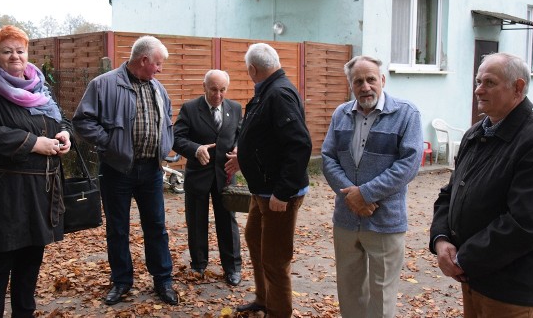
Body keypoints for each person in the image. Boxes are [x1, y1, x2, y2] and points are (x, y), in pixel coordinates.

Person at [430, 52, 533, 318]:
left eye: (489, 83)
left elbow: (526, 224)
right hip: (473, 279)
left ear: (518, 87)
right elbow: (450, 193)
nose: (478, 90)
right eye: (478, 81)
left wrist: (463, 259)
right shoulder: (477, 132)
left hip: (511, 288)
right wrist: (441, 239)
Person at [0, 25, 72, 318]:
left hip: (40, 192)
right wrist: (35, 143)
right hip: (2, 193)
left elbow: (60, 119)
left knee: (30, 263)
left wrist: (64, 134)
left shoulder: (40, 87)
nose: (15, 57)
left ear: (27, 53)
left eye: (20, 50)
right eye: (6, 51)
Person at [72, 35, 178, 306]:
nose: (160, 69)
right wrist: (110, 143)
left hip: (151, 171)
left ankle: (162, 280)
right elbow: (82, 121)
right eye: (157, 63)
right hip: (117, 170)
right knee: (118, 229)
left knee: (156, 226)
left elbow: (167, 121)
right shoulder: (104, 84)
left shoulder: (158, 88)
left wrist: (165, 145)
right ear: (143, 60)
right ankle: (121, 281)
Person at [321, 55, 423, 318]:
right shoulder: (340, 114)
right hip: (346, 218)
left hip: (385, 220)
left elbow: (409, 164)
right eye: (358, 81)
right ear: (350, 85)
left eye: (371, 79)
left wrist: (365, 194)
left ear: (382, 80)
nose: (365, 86)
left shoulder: (406, 114)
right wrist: (351, 196)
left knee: (382, 294)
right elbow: (328, 158)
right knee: (350, 290)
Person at [229, 43, 312, 318]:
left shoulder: (278, 94)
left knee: (275, 260)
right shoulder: (268, 91)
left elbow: (299, 145)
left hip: (277, 195)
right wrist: (245, 156)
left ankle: (279, 313)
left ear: (252, 69)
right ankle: (264, 299)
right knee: (254, 239)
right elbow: (266, 137)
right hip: (262, 190)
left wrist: (283, 192)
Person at [172, 69, 242, 286]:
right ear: (204, 87)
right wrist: (195, 149)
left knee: (228, 222)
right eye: (213, 90)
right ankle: (199, 264)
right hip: (198, 175)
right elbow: (176, 138)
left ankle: (232, 268)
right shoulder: (190, 109)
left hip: (226, 174)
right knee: (196, 221)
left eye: (222, 90)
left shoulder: (235, 108)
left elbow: (241, 135)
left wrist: (240, 150)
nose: (218, 95)